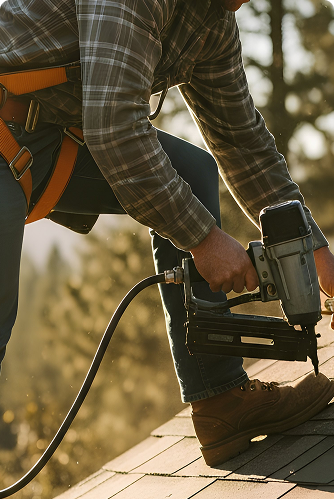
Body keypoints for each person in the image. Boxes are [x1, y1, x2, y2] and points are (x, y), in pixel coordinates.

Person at [0, 0, 333, 467]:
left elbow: (244, 146)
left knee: (191, 171)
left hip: (47, 133)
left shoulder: (213, 23)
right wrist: (204, 240)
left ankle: (221, 402)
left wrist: (320, 263)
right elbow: (115, 127)